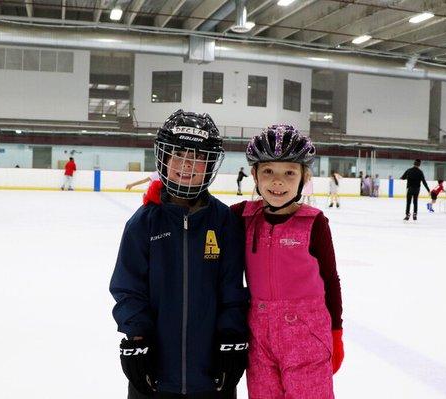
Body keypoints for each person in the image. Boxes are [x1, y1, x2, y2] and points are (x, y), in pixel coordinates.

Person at [109, 110, 249, 399]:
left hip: (212, 376)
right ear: (164, 158)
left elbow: (233, 290)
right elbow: (128, 288)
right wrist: (137, 338)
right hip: (155, 374)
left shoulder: (224, 222)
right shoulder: (143, 223)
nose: (187, 164)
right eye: (179, 153)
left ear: (210, 164)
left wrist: (231, 337)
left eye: (198, 157)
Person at [231, 125, 344, 399]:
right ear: (255, 175)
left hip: (307, 336)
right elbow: (202, 215)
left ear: (303, 178)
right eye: (268, 171)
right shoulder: (241, 217)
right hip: (258, 336)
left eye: (289, 173)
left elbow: (330, 278)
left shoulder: (314, 223)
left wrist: (336, 332)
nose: (277, 182)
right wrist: (160, 199)